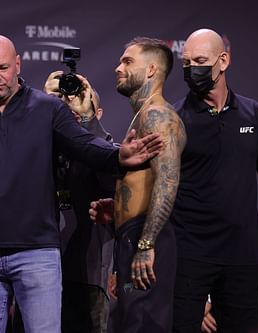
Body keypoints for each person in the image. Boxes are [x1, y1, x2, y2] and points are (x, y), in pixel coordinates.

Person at [0, 34, 163, 333]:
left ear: (18, 64)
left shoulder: (48, 109)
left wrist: (118, 157)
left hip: (38, 255)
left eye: (2, 67)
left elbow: (84, 145)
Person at [170, 28, 258, 333]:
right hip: (189, 256)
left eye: (200, 60)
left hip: (243, 256)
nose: (192, 70)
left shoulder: (256, 115)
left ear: (224, 61)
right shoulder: (173, 119)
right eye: (186, 63)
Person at [90, 37, 186, 332]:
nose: (118, 68)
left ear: (151, 70)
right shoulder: (142, 115)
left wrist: (146, 244)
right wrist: (118, 209)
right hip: (132, 236)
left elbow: (168, 180)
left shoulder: (158, 115)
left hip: (147, 237)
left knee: (145, 326)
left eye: (128, 61)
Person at [44, 71, 116, 333]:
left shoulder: (108, 152)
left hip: (90, 275)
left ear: (98, 114)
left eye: (81, 107)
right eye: (63, 109)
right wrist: (44, 108)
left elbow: (107, 167)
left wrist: (85, 122)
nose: (71, 112)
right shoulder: (45, 153)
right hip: (42, 275)